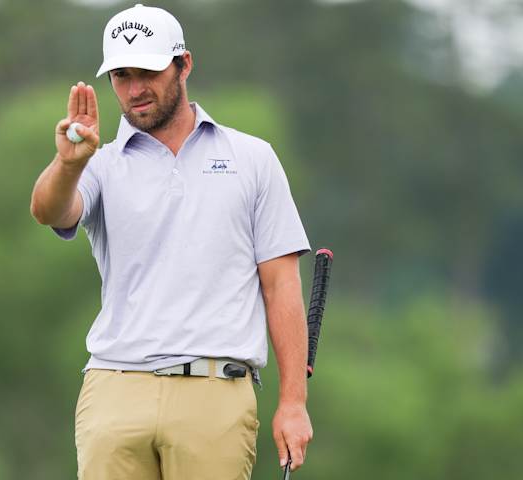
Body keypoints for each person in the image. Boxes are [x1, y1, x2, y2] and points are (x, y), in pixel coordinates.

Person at [30, 4, 312, 479]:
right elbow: (50, 211)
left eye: (148, 71)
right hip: (114, 388)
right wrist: (69, 163)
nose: (135, 89)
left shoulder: (252, 158)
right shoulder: (97, 163)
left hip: (215, 391)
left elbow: (281, 286)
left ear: (184, 64)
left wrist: (293, 403)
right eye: (121, 75)